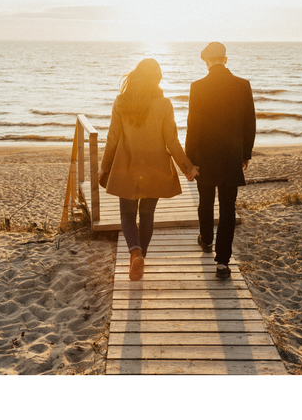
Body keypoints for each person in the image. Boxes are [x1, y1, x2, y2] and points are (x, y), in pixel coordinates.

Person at [98, 58, 198, 281]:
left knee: (126, 213)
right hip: (156, 169)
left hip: (127, 166)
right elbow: (172, 142)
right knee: (147, 214)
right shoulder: (165, 104)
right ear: (157, 78)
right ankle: (141, 255)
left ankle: (135, 252)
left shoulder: (121, 102)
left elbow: (112, 139)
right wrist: (188, 168)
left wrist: (104, 167)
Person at [185, 42, 256, 279]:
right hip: (231, 156)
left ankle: (206, 239)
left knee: (205, 201)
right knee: (227, 208)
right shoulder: (242, 85)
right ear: (225, 60)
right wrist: (245, 154)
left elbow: (192, 126)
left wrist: (190, 160)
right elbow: (249, 123)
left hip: (205, 157)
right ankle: (223, 262)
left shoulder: (198, 87)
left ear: (206, 62)